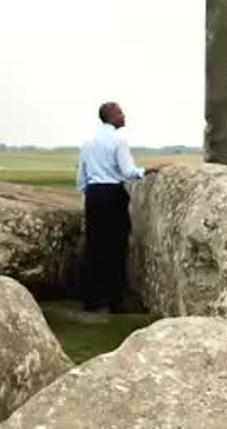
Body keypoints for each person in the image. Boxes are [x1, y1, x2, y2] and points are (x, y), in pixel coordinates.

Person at [76, 102, 162, 313]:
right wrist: (148, 170)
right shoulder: (118, 141)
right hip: (113, 193)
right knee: (116, 245)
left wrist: (87, 193)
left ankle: (91, 300)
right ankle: (115, 301)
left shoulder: (88, 142)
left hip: (94, 194)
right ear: (111, 116)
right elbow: (127, 170)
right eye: (120, 112)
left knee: (94, 245)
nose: (124, 116)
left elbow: (81, 175)